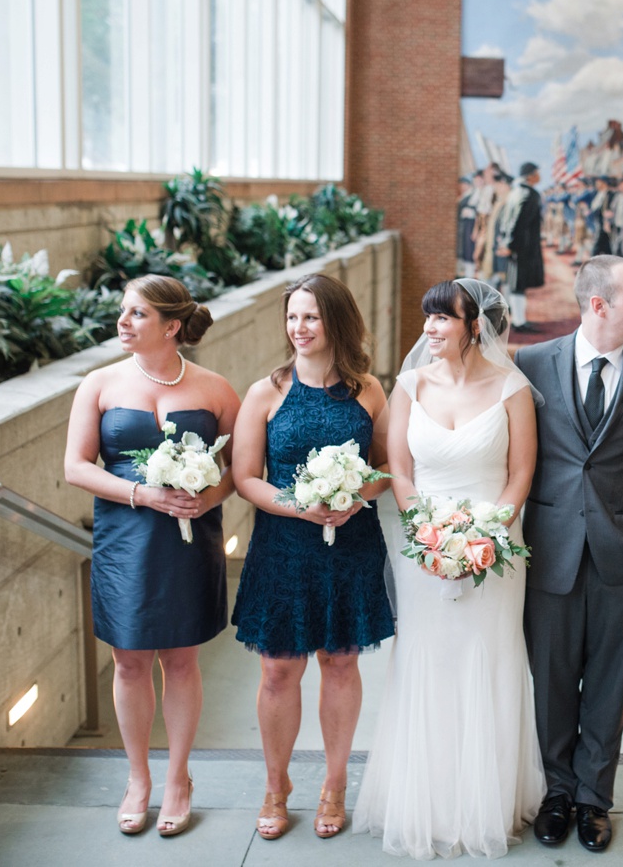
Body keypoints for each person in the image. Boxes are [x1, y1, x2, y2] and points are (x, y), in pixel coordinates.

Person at [353, 279, 546, 859]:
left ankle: (488, 802)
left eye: (443, 318)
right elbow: (401, 473)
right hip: (424, 553)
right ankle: (427, 801)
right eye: (427, 317)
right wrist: (428, 536)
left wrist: (484, 539)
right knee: (426, 661)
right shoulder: (408, 385)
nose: (431, 328)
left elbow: (519, 475)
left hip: (497, 553)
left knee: (489, 659)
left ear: (474, 326)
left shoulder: (512, 387)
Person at [515, 255, 623, 852]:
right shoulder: (533, 363)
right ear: (598, 306)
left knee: (610, 684)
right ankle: (556, 793)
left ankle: (594, 798)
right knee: (553, 682)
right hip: (551, 552)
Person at [63, 274, 240, 837]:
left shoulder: (215, 389)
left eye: (137, 313)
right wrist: (143, 493)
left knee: (181, 660)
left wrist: (204, 496)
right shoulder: (98, 383)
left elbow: (242, 468)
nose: (122, 321)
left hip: (190, 542)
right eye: (123, 311)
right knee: (129, 660)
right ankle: (137, 778)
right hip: (125, 541)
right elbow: (77, 466)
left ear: (172, 326)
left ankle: (178, 779)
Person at [230, 274, 394, 840]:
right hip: (283, 546)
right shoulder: (266, 391)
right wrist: (300, 506)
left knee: (341, 662)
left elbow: (385, 470)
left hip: (350, 544)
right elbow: (244, 477)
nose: (299, 328)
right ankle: (276, 785)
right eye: (292, 317)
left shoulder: (369, 390)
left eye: (311, 317)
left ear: (336, 322)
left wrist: (353, 495)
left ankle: (335, 782)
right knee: (278, 669)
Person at [498, 162, 545, 333]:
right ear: (530, 175)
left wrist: (505, 242)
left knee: (514, 282)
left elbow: (506, 220)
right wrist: (511, 245)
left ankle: (517, 319)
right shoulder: (529, 194)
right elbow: (519, 223)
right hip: (522, 246)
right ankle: (519, 321)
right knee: (518, 283)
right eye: (537, 173)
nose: (539, 176)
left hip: (515, 244)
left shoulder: (516, 192)